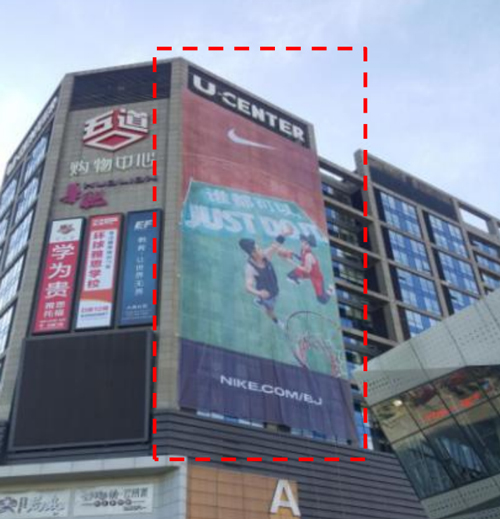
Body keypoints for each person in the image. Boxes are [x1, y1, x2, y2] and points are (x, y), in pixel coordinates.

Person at [239, 233, 289, 329]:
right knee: (269, 310)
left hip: (274, 288)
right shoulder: (250, 268)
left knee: (266, 297)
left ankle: (258, 300)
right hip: (267, 295)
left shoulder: (265, 256)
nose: (262, 250)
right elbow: (248, 287)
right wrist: (259, 293)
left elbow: (275, 245)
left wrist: (284, 233)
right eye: (258, 249)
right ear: (253, 253)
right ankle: (277, 322)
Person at [285, 233, 335, 304]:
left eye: (305, 243)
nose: (303, 244)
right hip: (308, 271)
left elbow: (307, 270)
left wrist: (292, 262)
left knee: (322, 299)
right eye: (303, 242)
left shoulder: (309, 255)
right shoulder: (303, 250)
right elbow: (301, 259)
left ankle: (330, 290)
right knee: (290, 276)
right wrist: (293, 254)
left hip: (315, 277)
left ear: (309, 245)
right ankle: (298, 280)